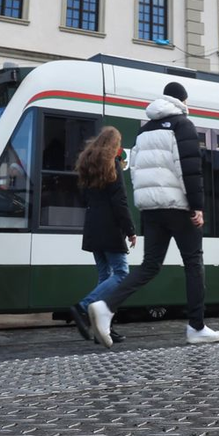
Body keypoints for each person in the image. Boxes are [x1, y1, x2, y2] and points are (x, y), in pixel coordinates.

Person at [88, 81, 219, 347]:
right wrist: (196, 206)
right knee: (194, 264)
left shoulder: (145, 129)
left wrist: (145, 204)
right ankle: (196, 327)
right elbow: (189, 167)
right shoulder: (182, 125)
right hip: (178, 206)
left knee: (150, 266)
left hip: (151, 208)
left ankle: (106, 307)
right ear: (182, 101)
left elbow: (136, 169)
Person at [67, 126, 137, 345]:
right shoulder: (112, 166)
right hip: (109, 228)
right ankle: (82, 307)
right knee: (122, 274)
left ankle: (103, 329)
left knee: (105, 277)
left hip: (93, 227)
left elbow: (84, 197)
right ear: (114, 145)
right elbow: (120, 202)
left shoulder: (87, 165)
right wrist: (130, 231)